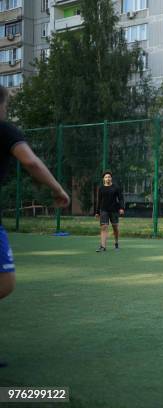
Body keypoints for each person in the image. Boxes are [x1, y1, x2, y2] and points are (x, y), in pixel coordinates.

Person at [0, 85, 69, 323]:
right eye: (6, 106)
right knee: (4, 282)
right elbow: (31, 162)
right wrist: (57, 188)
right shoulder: (4, 130)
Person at [94, 171, 125, 252]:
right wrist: (97, 212)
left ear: (111, 178)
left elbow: (121, 198)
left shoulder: (116, 187)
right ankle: (103, 246)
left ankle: (116, 244)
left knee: (115, 228)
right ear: (103, 179)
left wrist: (121, 208)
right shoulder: (101, 188)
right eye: (106, 177)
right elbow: (99, 200)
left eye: (109, 177)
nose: (107, 178)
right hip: (104, 210)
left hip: (114, 210)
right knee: (104, 227)